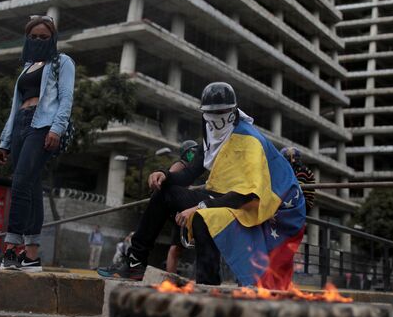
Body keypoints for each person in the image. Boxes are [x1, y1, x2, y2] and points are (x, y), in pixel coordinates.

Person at [99, 82, 306, 289]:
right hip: (226, 195)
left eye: (223, 112)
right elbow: (190, 173)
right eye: (210, 113)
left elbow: (247, 195)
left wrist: (200, 206)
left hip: (265, 205)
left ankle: (208, 286)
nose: (216, 118)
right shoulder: (209, 129)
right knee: (165, 193)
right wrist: (164, 174)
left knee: (203, 216)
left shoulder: (249, 140)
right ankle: (136, 261)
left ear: (233, 110)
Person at [0, 15, 75, 272]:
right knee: (30, 187)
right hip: (20, 124)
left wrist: (57, 128)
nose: (38, 40)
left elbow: (66, 98)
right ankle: (31, 256)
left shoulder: (62, 62)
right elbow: (14, 107)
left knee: (20, 183)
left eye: (44, 37)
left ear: (52, 39)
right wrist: (5, 141)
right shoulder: (26, 68)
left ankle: (10, 249)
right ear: (27, 39)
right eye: (33, 37)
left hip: (42, 125)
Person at [166, 140, 200, 274]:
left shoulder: (192, 169)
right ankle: (170, 278)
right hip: (180, 210)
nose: (195, 154)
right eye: (192, 151)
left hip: (188, 210)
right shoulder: (180, 165)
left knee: (180, 247)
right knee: (175, 247)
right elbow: (169, 181)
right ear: (185, 153)